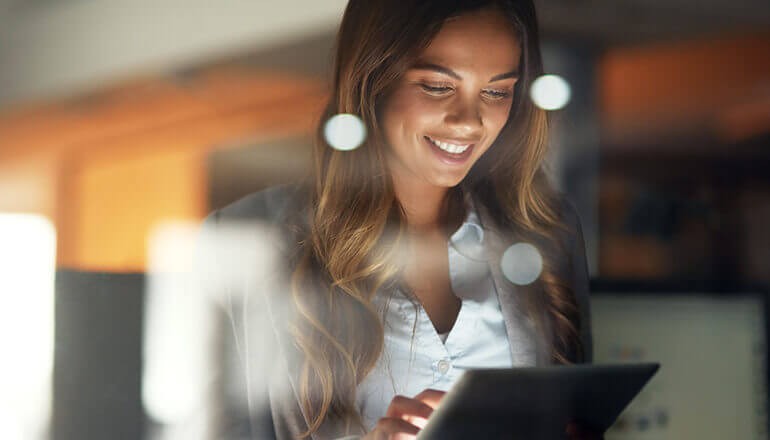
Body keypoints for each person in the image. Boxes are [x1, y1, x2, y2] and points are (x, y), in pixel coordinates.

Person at [200, 0, 597, 438]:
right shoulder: (249, 241)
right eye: (437, 86)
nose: (469, 123)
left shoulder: (548, 232)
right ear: (373, 81)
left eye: (497, 92)